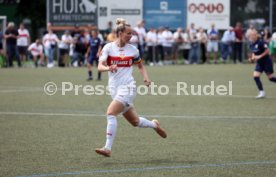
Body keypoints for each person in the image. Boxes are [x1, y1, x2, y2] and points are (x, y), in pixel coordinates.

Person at [95, 18, 167, 157]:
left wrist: (146, 78)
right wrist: (109, 67)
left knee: (110, 113)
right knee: (135, 122)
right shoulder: (108, 48)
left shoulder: (133, 50)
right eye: (128, 33)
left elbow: (140, 66)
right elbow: (99, 66)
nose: (131, 36)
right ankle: (154, 125)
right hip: (114, 88)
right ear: (120, 33)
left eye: (132, 33)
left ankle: (107, 148)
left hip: (128, 88)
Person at [248, 30, 276, 98]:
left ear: (255, 35)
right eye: (250, 35)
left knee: (271, 78)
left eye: (252, 35)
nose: (250, 37)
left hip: (267, 62)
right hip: (259, 63)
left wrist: (260, 56)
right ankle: (262, 93)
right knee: (256, 76)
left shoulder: (261, 42)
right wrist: (251, 59)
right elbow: (253, 53)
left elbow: (267, 51)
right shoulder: (251, 44)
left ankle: (262, 92)